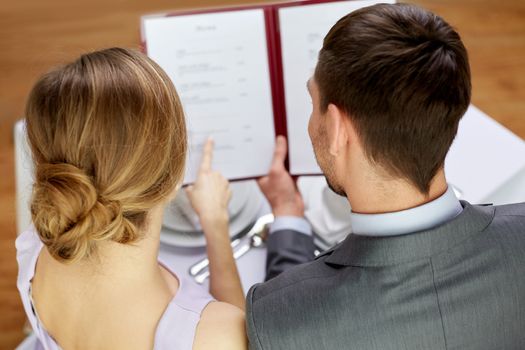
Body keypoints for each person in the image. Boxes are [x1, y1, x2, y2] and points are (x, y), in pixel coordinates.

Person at [248, 3, 525, 349]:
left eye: (313, 101)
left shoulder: (275, 321)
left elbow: (296, 317)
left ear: (335, 127)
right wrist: (289, 214)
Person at [16, 48, 247, 349]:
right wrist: (216, 224)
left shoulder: (33, 249)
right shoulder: (213, 335)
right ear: (175, 176)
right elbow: (240, 330)